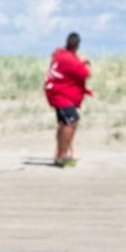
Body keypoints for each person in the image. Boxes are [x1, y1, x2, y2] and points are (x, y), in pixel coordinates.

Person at [43, 32, 93, 167]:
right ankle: (62, 155)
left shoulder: (60, 54)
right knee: (71, 121)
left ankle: (60, 153)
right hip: (60, 95)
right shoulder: (70, 60)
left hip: (56, 92)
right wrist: (84, 62)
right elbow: (86, 73)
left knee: (63, 123)